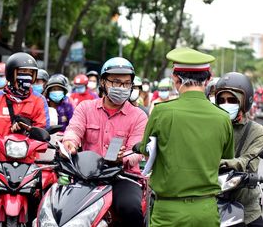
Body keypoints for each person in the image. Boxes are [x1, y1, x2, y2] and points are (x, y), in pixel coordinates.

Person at [139, 47, 234, 227]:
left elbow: (145, 151)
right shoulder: (223, 118)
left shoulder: (161, 112)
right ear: (208, 79)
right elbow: (227, 157)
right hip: (207, 211)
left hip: (168, 212)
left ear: (176, 79)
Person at [63, 57, 148, 226]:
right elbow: (74, 130)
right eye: (116, 82)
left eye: (126, 83)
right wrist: (69, 144)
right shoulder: (85, 108)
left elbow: (137, 151)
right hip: (87, 176)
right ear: (103, 82)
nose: (121, 88)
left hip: (124, 177)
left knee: (130, 208)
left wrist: (122, 158)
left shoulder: (139, 116)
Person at [0, 52, 49, 226]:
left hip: (29, 165)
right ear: (11, 74)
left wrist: (29, 129)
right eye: (22, 72)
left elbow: (43, 132)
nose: (27, 77)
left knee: (42, 209)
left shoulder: (39, 101)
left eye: (30, 74)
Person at [215, 72, 263, 226]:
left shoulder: (256, 131)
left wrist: (223, 163)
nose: (226, 104)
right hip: (213, 202)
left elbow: (248, 161)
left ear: (244, 101)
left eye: (232, 100)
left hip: (247, 208)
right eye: (221, 100)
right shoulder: (212, 127)